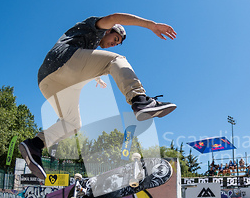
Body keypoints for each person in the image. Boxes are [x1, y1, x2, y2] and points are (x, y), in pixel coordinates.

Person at [19, 13, 178, 179]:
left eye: (116, 43)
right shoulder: (94, 28)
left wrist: (97, 76)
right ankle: (140, 100)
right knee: (116, 60)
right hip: (62, 62)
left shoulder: (88, 47)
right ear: (108, 30)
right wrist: (151, 25)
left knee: (72, 123)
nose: (113, 44)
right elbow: (114, 17)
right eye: (115, 39)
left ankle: (35, 144)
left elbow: (86, 59)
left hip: (48, 81)